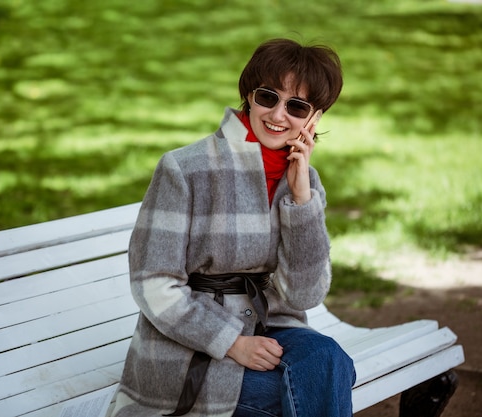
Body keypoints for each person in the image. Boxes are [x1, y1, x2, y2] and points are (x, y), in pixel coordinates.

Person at [108, 38, 356, 417]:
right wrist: (232, 343)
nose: (278, 114)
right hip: (190, 348)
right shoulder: (185, 168)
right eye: (268, 97)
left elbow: (305, 295)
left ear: (314, 117)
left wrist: (301, 200)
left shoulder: (305, 181)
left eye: (297, 106)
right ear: (250, 96)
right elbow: (152, 282)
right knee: (310, 389)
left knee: (330, 361)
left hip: (271, 329)